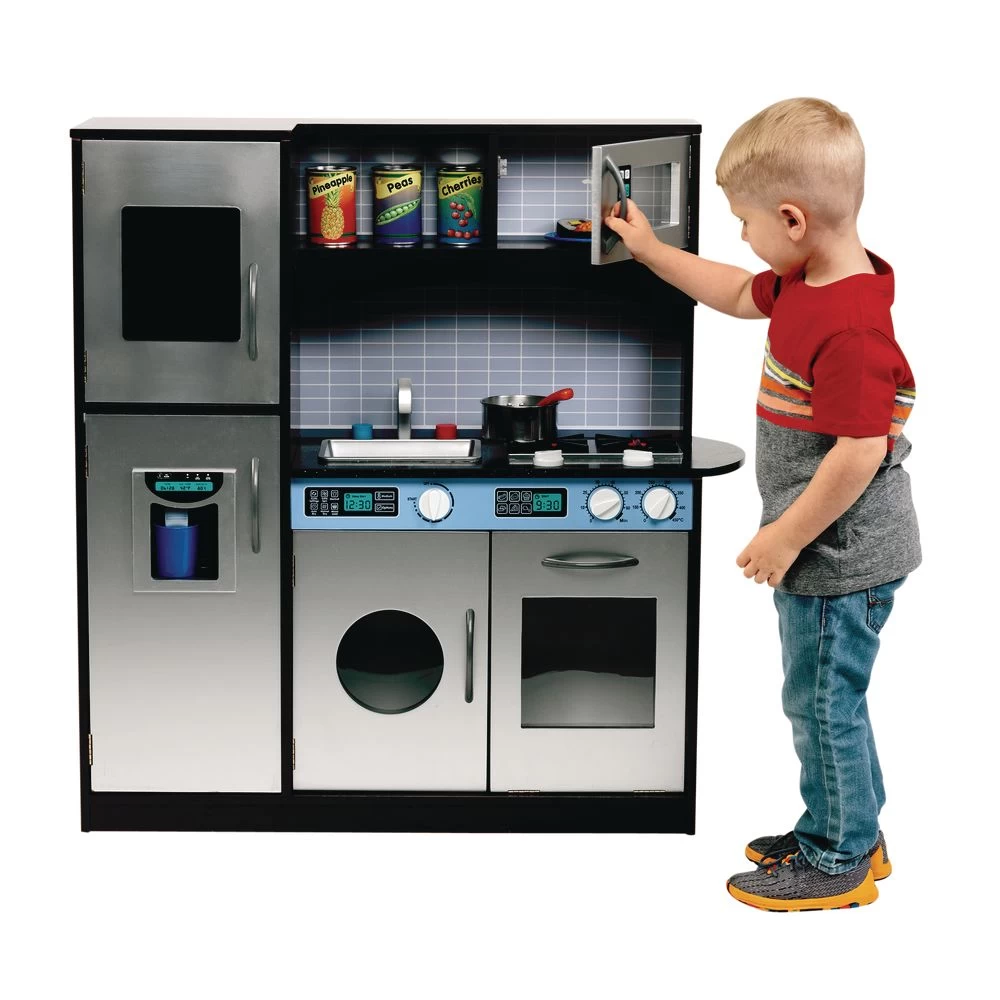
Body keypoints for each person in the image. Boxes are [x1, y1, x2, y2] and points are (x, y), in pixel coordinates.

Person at [605, 97, 920, 911]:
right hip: (830, 551)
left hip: (839, 557)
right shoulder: (811, 278)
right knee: (827, 700)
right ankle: (850, 830)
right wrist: (652, 251)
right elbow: (740, 292)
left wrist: (784, 536)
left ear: (791, 218)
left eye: (745, 221)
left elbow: (860, 452)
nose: (742, 236)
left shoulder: (850, 329)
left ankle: (837, 857)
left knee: (821, 705)